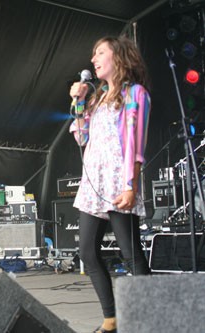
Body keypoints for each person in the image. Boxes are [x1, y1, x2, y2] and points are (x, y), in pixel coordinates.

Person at [69, 36, 151, 333]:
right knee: (87, 253)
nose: (93, 58)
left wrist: (131, 185)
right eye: (93, 54)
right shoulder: (98, 97)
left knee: (131, 254)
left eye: (100, 52)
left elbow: (135, 143)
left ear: (119, 57)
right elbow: (81, 137)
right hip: (93, 183)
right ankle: (111, 319)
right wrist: (79, 103)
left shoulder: (135, 93)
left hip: (119, 181)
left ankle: (150, 319)